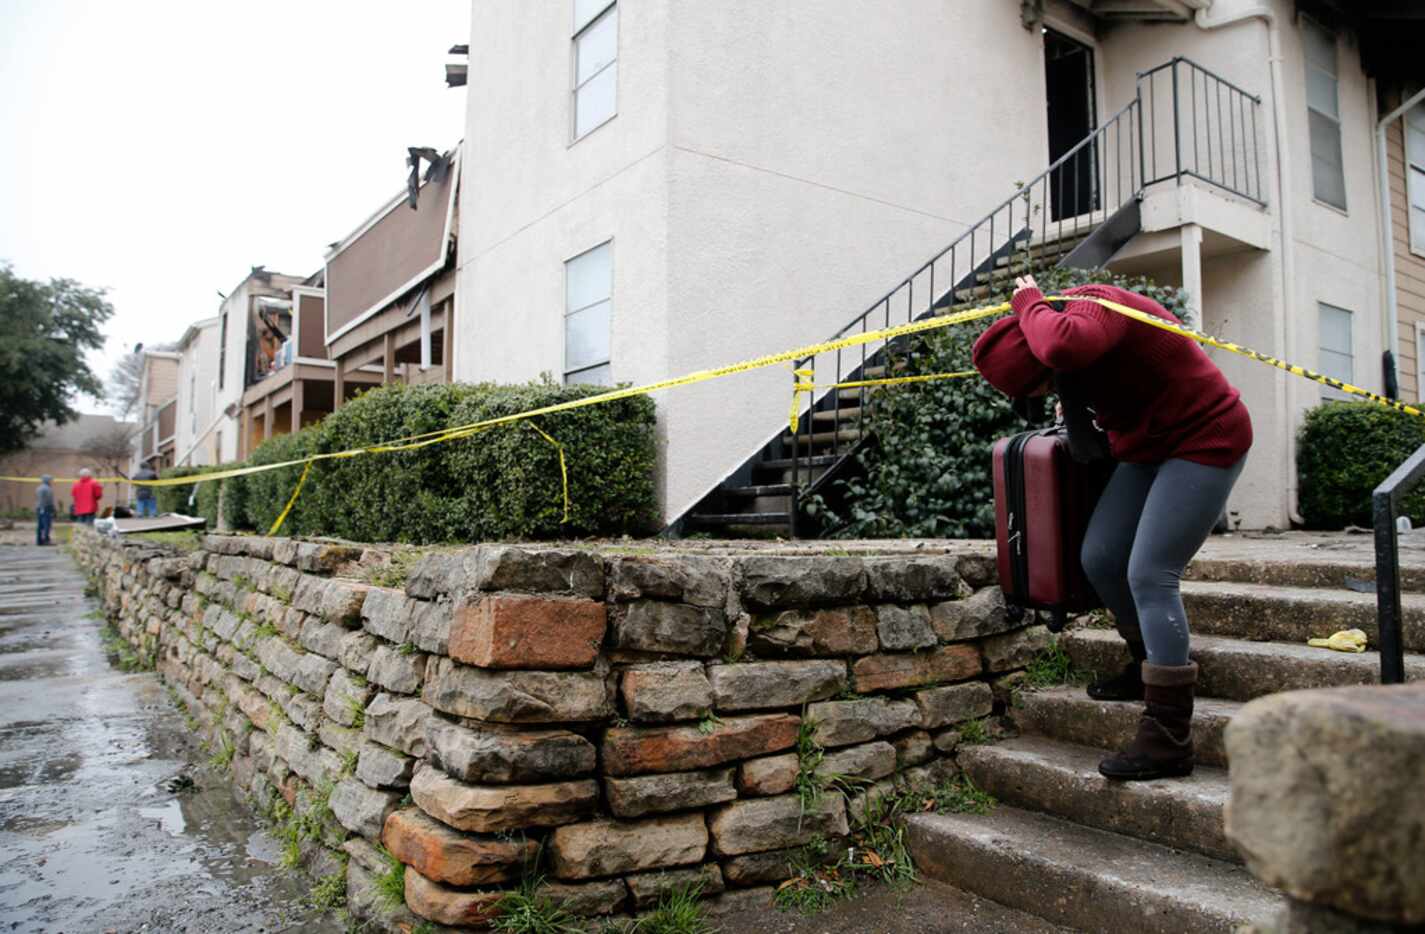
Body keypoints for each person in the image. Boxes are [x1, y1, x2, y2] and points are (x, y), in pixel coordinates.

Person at [972, 276, 1252, 781]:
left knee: (1151, 574)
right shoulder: (1074, 360)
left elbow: (1060, 342)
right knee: (1100, 556)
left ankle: (1169, 737)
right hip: (1147, 448)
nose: (1042, 393)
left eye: (1037, 384)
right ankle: (1148, 664)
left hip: (1206, 437)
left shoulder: (1098, 308)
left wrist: (1026, 300)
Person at [35, 475, 55, 545]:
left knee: (40, 526)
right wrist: (53, 509)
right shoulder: (48, 489)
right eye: (50, 480)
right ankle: (46, 540)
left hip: (39, 508)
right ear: (47, 480)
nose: (51, 481)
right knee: (47, 525)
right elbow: (49, 500)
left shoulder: (38, 488)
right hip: (46, 508)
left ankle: (39, 540)